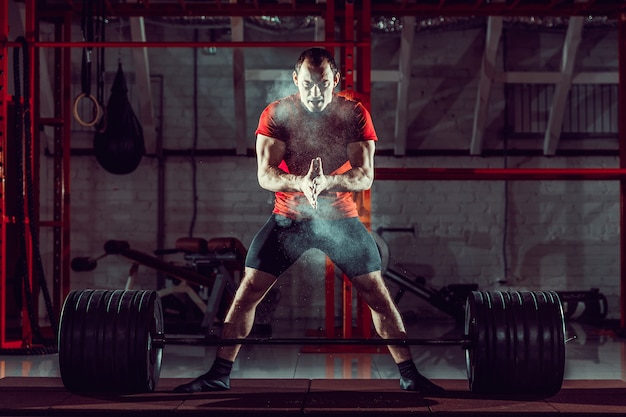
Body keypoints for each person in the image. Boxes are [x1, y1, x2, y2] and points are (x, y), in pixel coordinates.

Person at [174, 47, 444, 395]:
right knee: (247, 293)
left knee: (377, 293)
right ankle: (218, 374)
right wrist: (300, 182)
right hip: (289, 219)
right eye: (307, 85)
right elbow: (265, 176)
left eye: (322, 85)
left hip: (340, 219)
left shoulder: (353, 114)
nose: (315, 93)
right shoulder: (277, 114)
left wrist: (328, 181)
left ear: (336, 80)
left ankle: (410, 375)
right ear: (295, 81)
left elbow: (364, 177)